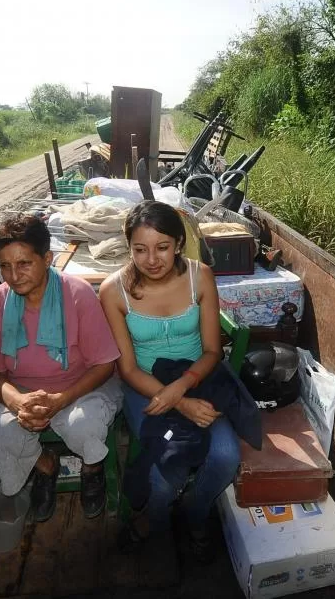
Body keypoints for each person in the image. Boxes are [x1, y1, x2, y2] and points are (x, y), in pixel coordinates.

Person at [99, 200, 241, 561]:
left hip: (199, 379)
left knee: (226, 456)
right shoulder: (113, 291)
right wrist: (178, 402)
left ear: (178, 243)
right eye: (140, 249)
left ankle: (196, 513)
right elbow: (127, 369)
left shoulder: (200, 276)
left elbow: (212, 351)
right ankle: (154, 521)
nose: (151, 260)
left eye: (162, 247)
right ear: (128, 246)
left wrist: (183, 387)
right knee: (167, 471)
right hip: (144, 385)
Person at [0, 215, 122, 521]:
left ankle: (92, 468)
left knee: (85, 425)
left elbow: (105, 365)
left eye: (24, 263)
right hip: (24, 393)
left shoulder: (77, 293)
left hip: (81, 387)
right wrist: (16, 401)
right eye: (5, 266)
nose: (13, 276)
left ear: (47, 258)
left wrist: (62, 399)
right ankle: (45, 465)